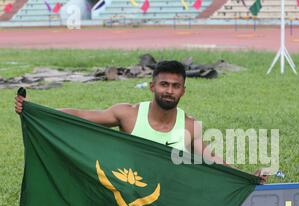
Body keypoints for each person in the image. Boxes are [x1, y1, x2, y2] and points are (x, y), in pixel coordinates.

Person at [15, 60, 267, 182]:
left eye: (175, 86)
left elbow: (214, 161)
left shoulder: (190, 125)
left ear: (183, 91)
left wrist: (247, 177)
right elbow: (82, 116)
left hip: (169, 193)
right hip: (130, 189)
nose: (169, 91)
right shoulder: (128, 114)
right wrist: (36, 111)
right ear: (152, 86)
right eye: (164, 84)